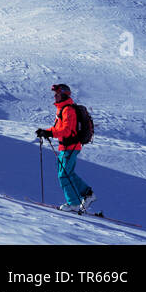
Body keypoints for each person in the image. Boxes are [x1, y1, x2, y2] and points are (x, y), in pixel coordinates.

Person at [36, 84, 96, 213]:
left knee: (63, 175)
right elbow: (58, 129)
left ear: (63, 94)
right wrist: (45, 132)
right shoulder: (62, 109)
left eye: (57, 94)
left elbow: (66, 130)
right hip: (66, 147)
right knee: (68, 173)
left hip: (70, 146)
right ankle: (87, 194)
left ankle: (74, 203)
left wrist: (50, 134)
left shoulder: (68, 110)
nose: (54, 96)